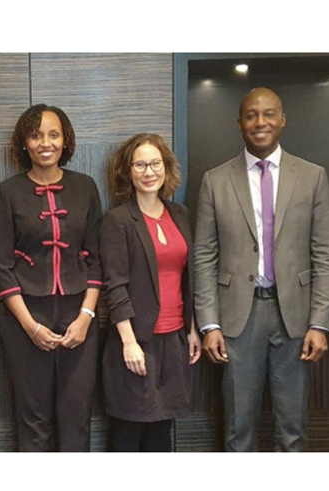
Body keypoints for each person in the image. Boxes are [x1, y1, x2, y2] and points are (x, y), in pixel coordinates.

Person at [194, 87, 329, 451]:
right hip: (238, 318)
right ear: (239, 124)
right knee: (238, 427)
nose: (260, 122)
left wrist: (320, 323)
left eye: (269, 114)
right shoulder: (215, 180)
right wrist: (209, 324)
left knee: (293, 427)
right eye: (251, 115)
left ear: (282, 119)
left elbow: (324, 254)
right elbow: (204, 256)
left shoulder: (313, 176)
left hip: (296, 316)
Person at [0, 104, 102, 451]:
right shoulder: (7, 192)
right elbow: (1, 264)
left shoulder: (85, 187)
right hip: (25, 315)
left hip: (78, 312)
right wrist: (30, 326)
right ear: (24, 142)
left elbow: (98, 259)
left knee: (76, 415)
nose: (45, 143)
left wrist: (86, 316)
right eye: (36, 135)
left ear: (65, 140)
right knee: (32, 417)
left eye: (53, 134)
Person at [100, 133, 201, 452]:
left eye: (155, 163)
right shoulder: (117, 221)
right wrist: (128, 343)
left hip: (174, 340)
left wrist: (193, 330)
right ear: (128, 172)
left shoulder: (181, 214)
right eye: (140, 164)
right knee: (129, 434)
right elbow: (114, 286)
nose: (149, 171)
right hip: (136, 341)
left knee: (161, 434)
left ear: (166, 167)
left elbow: (188, 277)